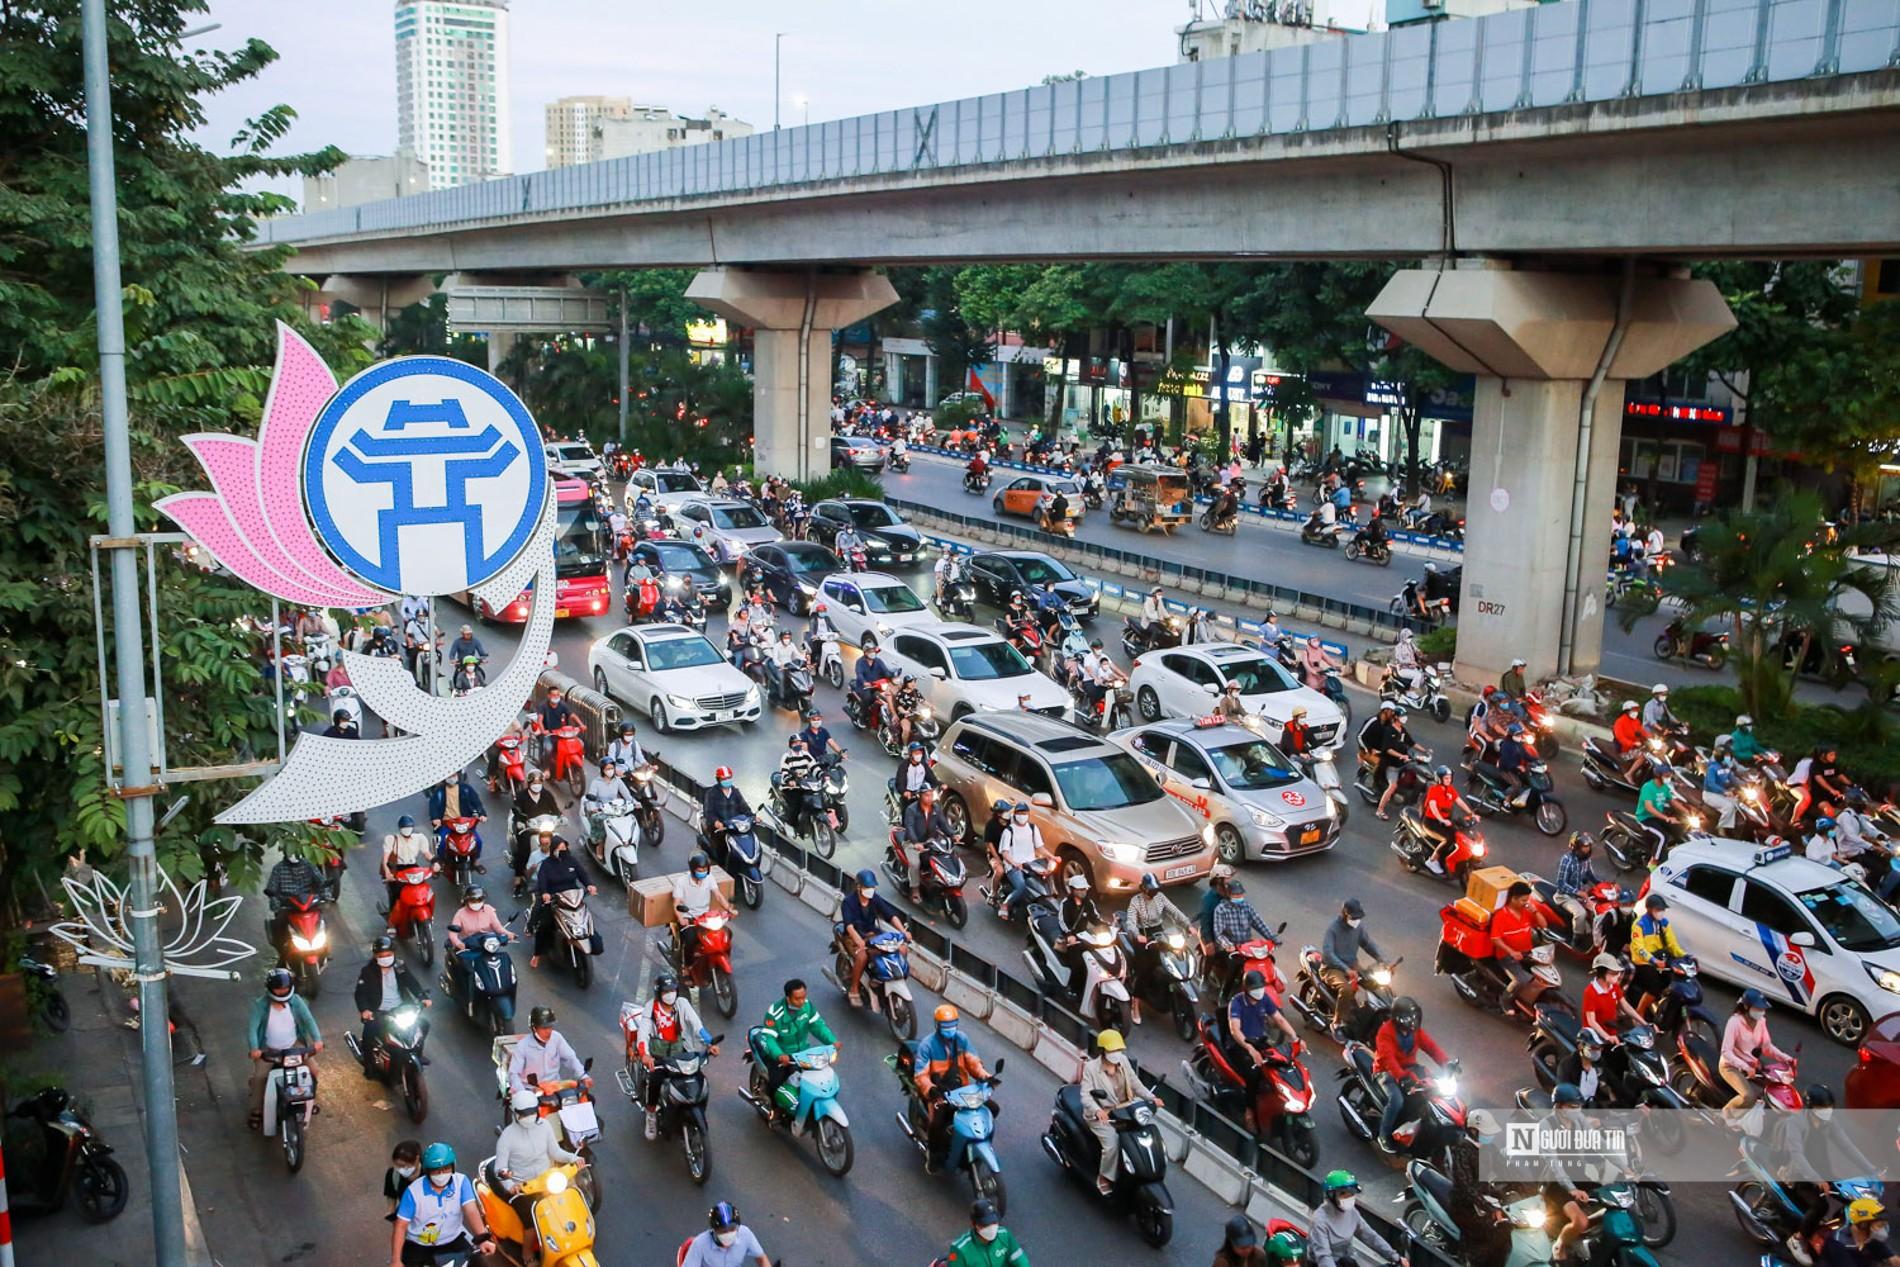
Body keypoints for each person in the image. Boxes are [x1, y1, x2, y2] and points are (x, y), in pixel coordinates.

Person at [1772, 1086, 1885, 1266]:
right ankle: (1798, 1238)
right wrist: (1816, 1179)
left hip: (1822, 1170)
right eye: (1821, 1108)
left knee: (1847, 1197)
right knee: (1820, 1206)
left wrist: (1871, 1169)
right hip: (1799, 1173)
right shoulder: (1795, 1124)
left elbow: (1847, 1146)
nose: (1826, 1112)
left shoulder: (1829, 1122)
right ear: (1810, 1108)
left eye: (1828, 1108)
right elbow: (1797, 1155)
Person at [494, 1086, 580, 1256]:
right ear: (515, 1113)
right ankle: (527, 1254)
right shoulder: (507, 1137)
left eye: (531, 1112)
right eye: (524, 1114)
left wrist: (573, 1158)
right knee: (531, 1222)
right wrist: (511, 1185)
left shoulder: (545, 1126)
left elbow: (555, 1152)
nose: (528, 1117)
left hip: (548, 1180)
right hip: (524, 1188)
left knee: (569, 1205)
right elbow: (500, 1168)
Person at [629, 973, 715, 1140]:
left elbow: (696, 1025)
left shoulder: (682, 1004)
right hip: (659, 1057)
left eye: (673, 990)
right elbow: (643, 1033)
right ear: (659, 993)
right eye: (666, 991)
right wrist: (645, 1054)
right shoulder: (651, 1007)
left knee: (699, 1078)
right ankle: (651, 1115)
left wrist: (709, 1042)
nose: (670, 994)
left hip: (682, 1053)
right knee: (655, 1080)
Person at [1078, 1030, 1161, 1194]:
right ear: (1103, 1050)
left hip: (1126, 1111)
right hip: (1104, 1116)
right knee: (1112, 1144)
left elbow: (1135, 1083)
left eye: (1118, 1050)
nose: (1116, 1054)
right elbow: (1085, 1096)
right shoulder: (1091, 1068)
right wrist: (1097, 1111)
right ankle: (1105, 1177)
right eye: (1112, 1051)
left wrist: (1152, 1098)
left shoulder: (1123, 1061)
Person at [913, 1004, 994, 1172]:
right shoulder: (927, 1045)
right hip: (939, 1093)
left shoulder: (962, 1039)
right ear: (937, 1025)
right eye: (945, 1026)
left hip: (962, 1091)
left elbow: (973, 1062)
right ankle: (933, 1156)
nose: (950, 1030)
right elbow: (921, 1075)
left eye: (952, 1025)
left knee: (992, 1109)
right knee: (937, 1122)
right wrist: (931, 1089)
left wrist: (986, 1076)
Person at [388, 1142, 496, 1267]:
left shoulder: (461, 1182)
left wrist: (482, 1239)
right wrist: (396, 1260)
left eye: (446, 1168)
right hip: (419, 1245)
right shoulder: (413, 1192)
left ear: (453, 1166)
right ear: (428, 1171)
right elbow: (400, 1226)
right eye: (436, 1170)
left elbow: (471, 1211)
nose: (441, 1174)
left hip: (453, 1240)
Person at [246, 967, 321, 1131]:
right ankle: (257, 1110)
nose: (282, 992)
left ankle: (310, 1100)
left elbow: (309, 1020)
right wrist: (254, 1049)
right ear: (270, 989)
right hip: (268, 1050)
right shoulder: (260, 1005)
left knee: (314, 1070)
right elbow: (252, 1028)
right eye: (279, 989)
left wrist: (317, 1040)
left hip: (294, 1046)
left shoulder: (296, 1000)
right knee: (260, 1078)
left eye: (285, 988)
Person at [1372, 996, 1448, 1153]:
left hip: (1410, 1068)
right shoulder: (1385, 1032)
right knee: (1397, 1101)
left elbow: (1432, 1048)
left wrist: (1447, 1064)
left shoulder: (1416, 1031)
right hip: (1386, 1071)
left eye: (1414, 1016)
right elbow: (1388, 1059)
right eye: (1409, 1017)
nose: (1412, 1020)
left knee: (1433, 1090)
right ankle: (1384, 1135)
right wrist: (1401, 1076)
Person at [1227, 968, 1301, 1119]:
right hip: (1240, 1046)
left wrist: (1295, 1038)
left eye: (1261, 987)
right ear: (1246, 989)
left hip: (1260, 1042)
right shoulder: (1236, 1003)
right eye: (1255, 988)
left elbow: (1279, 1019)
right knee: (1254, 1074)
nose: (1259, 991)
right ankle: (1249, 1111)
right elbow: (1235, 1030)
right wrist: (1250, 1049)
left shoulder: (1265, 999)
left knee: (1280, 1066)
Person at [758, 978, 838, 1114]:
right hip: (781, 1056)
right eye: (797, 999)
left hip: (802, 1053)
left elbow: (818, 1026)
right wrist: (779, 1054)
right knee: (777, 1081)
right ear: (788, 998)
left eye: (803, 997)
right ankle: (774, 1109)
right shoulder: (774, 1013)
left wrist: (832, 1041)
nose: (802, 1002)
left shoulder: (807, 1006)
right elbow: (769, 1038)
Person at [353, 934, 431, 1071]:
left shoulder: (399, 966)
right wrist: (365, 1010)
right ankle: (369, 1064)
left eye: (388, 955)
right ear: (376, 956)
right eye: (381, 956)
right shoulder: (368, 971)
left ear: (393, 954)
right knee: (369, 1034)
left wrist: (422, 996)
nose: (385, 958)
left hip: (402, 1008)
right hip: (379, 1012)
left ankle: (418, 1054)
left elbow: (411, 982)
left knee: (423, 1025)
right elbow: (360, 993)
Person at [1308, 1170, 1407, 1267]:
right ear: (1331, 1195)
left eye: (1351, 1194)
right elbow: (1324, 1257)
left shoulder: (1352, 1212)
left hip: (1345, 1260)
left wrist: (1395, 1257)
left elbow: (1370, 1236)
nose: (1349, 1198)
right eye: (1343, 1194)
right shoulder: (1320, 1221)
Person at [1320, 898, 1388, 1039]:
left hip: (1352, 965)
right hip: (1332, 968)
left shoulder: (1358, 927)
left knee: (1373, 982)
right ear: (1345, 915)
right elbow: (1328, 954)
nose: (1356, 921)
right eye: (1354, 918)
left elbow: (1368, 944)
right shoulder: (1333, 929)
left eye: (1358, 918)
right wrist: (1345, 969)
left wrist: (1383, 960)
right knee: (1346, 989)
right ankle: (1337, 1022)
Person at [1721, 988, 1791, 1124]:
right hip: (1730, 1066)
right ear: (1746, 1007)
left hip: (1752, 1065)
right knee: (1749, 1097)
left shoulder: (1761, 1022)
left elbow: (1767, 1047)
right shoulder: (1734, 1022)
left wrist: (1786, 1058)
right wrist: (1745, 1067)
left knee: (1774, 1088)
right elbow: (1726, 1051)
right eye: (1758, 1008)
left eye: (1763, 1009)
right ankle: (1726, 1116)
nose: (1761, 1012)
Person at [840, 870, 910, 1004]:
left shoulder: (875, 899)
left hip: (874, 934)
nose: (870, 890)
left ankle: (890, 978)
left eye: (872, 887)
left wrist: (903, 931)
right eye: (867, 887)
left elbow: (891, 915)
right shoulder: (848, 902)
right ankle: (854, 988)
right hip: (854, 936)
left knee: (901, 949)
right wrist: (858, 940)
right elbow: (849, 926)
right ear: (859, 887)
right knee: (863, 956)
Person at [1119, 872, 1179, 1026]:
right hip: (1143, 937)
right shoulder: (1135, 901)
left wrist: (1188, 925)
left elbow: (1174, 911)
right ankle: (1135, 1004)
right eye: (1151, 889)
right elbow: (1131, 922)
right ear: (1144, 889)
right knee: (1145, 969)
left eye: (1156, 889)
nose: (1154, 892)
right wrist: (1137, 935)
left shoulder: (1160, 898)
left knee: (1175, 957)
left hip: (1159, 933)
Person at [528, 836, 594, 968]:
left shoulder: (572, 861)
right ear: (553, 850)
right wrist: (546, 893)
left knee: (587, 920)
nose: (562, 850)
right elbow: (542, 880)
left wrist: (590, 885)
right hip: (554, 898)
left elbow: (583, 874)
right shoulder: (546, 864)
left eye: (564, 847)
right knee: (544, 926)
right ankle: (537, 954)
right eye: (559, 848)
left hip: (573, 899)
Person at [1489, 881, 1553, 1013]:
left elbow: (1544, 925)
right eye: (1523, 900)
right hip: (1507, 957)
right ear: (1513, 899)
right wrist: (1511, 952)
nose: (1526, 902)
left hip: (1527, 952)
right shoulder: (1501, 916)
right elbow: (1495, 939)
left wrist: (1535, 911)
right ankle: (1505, 1000)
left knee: (1544, 974)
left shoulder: (1526, 912)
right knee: (1522, 980)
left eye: (1527, 899)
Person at [671, 852, 735, 971]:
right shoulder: (682, 882)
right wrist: (681, 918)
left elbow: (718, 896)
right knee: (690, 939)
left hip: (705, 918)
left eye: (705, 869)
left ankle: (723, 957)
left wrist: (729, 909)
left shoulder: (709, 878)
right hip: (690, 918)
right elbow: (676, 903)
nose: (702, 872)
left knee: (727, 934)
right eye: (700, 870)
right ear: (693, 870)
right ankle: (688, 966)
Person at [507, 1006, 590, 1096]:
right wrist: (522, 1094)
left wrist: (583, 1076)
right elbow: (514, 1074)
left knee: (586, 1100)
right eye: (544, 1028)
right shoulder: (522, 1047)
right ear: (534, 1028)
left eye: (550, 1027)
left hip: (555, 1087)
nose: (548, 1031)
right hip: (531, 1091)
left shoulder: (557, 1038)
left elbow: (570, 1058)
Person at [1628, 892, 1686, 1017]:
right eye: (1658, 909)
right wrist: (1653, 960)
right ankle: (1640, 1011)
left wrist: (1685, 956)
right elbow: (1639, 948)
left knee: (1671, 980)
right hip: (1643, 962)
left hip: (1660, 959)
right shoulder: (1639, 924)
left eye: (1662, 910)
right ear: (1649, 909)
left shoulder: (1664, 923)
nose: (1661, 912)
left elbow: (1673, 944)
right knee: (1655, 986)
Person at [1212, 879, 1275, 991]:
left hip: (1247, 947)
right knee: (1234, 966)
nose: (1239, 896)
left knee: (1268, 959)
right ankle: (1224, 993)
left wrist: (1272, 937)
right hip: (1232, 948)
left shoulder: (1246, 907)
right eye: (1236, 894)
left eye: (1240, 894)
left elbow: (1259, 923)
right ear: (1228, 894)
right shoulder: (1221, 910)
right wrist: (1228, 945)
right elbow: (1219, 933)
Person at [263, 849, 328, 958]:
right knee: (278, 927)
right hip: (288, 906)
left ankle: (326, 949)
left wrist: (325, 893)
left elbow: (321, 881)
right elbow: (272, 888)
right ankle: (282, 954)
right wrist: (275, 900)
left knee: (324, 922)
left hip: (309, 904)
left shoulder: (309, 865)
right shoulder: (278, 868)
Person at [989, 800, 1048, 922]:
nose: (1022, 815)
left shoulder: (1033, 828)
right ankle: (1005, 904)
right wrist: (1013, 863)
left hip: (1030, 864)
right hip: (1013, 866)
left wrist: (1052, 857)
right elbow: (1004, 852)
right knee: (1021, 886)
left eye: (1025, 813)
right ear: (1015, 814)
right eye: (1020, 813)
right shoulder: (1008, 831)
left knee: (1045, 879)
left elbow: (1040, 847)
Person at [900, 785, 955, 904]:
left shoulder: (936, 808)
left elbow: (943, 824)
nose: (930, 798)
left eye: (931, 794)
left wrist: (953, 834)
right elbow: (909, 827)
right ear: (920, 796)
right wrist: (916, 843)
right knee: (915, 864)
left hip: (931, 841)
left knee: (944, 857)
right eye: (926, 795)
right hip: (912, 842)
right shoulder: (911, 809)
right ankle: (915, 890)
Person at [1361, 703, 1413, 822]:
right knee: (1383, 765)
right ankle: (1378, 794)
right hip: (1369, 750)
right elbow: (1360, 736)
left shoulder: (1390, 724)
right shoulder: (1373, 721)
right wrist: (1367, 750)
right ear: (1385, 710)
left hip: (1381, 750)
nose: (1392, 713)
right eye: (1391, 711)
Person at [1418, 766, 1473, 876]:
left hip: (1445, 821)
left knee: (1460, 832)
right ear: (1440, 779)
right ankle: (1432, 861)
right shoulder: (1434, 790)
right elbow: (1432, 806)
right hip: (1431, 823)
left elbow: (1459, 801)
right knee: (1448, 839)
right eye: (1446, 778)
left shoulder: (1450, 789)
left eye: (1449, 778)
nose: (1449, 780)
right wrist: (1441, 819)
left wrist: (1472, 814)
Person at [1552, 831, 1604, 944]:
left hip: (1580, 894)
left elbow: (1591, 876)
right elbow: (1561, 884)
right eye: (1585, 847)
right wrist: (1578, 892)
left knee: (1599, 908)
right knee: (1581, 914)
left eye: (1589, 846)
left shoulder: (1586, 859)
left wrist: (1606, 886)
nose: (1588, 849)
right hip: (1565, 896)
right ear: (1576, 847)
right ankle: (1577, 938)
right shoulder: (1567, 860)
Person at [943, 1198, 1029, 1267]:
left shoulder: (1005, 1235)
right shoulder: (959, 1250)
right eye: (985, 1224)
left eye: (994, 1222)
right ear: (974, 1224)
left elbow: (1020, 1261)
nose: (991, 1227)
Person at [1580, 952, 1643, 1044]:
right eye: (1614, 973)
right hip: (1595, 1037)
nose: (1619, 975)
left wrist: (1645, 1023)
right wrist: (1607, 1037)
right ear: (1603, 973)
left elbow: (1626, 1006)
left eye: (1619, 973)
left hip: (1612, 1033)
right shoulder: (1590, 992)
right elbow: (1591, 1022)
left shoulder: (1614, 986)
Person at [510, 771, 561, 881]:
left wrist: (560, 817)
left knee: (560, 843)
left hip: (545, 827)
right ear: (529, 783)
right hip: (529, 828)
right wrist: (520, 822)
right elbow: (517, 811)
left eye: (539, 782)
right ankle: (518, 877)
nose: (536, 785)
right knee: (524, 850)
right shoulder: (521, 796)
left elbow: (555, 810)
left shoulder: (547, 794)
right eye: (534, 783)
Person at [380, 815, 436, 915]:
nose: (407, 830)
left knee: (423, 889)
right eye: (404, 828)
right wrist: (387, 872)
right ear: (400, 828)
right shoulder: (391, 839)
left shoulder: (419, 838)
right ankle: (392, 921)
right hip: (397, 868)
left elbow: (427, 853)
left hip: (413, 867)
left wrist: (435, 861)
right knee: (396, 893)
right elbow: (386, 858)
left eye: (409, 828)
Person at [774, 735, 823, 838]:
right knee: (796, 805)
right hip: (791, 787)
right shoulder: (786, 756)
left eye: (800, 742)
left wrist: (822, 775)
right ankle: (790, 824)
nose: (798, 745)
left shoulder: (806, 755)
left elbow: (814, 767)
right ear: (791, 744)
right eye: (795, 743)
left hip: (804, 784)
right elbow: (784, 771)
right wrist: (789, 780)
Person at [701, 767, 753, 860]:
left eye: (729, 778)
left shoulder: (735, 792)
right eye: (724, 779)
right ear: (719, 780)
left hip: (735, 826)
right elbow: (709, 812)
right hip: (721, 828)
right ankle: (721, 864)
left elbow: (744, 807)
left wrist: (753, 816)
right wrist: (716, 822)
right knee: (721, 847)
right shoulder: (711, 793)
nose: (727, 781)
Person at [853, 636, 897, 725]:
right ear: (865, 652)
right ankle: (862, 716)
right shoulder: (860, 662)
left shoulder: (878, 661)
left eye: (873, 651)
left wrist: (893, 676)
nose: (872, 653)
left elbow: (886, 671)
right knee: (868, 698)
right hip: (864, 687)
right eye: (870, 651)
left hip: (877, 686)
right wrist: (865, 682)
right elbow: (859, 674)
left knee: (891, 697)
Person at [533, 686, 580, 769]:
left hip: (560, 733)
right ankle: (546, 769)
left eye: (558, 695)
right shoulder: (543, 706)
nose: (556, 697)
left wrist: (581, 724)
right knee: (548, 748)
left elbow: (572, 715)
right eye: (554, 695)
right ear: (549, 696)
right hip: (548, 734)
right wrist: (543, 730)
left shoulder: (562, 705)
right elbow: (540, 719)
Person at [1703, 737, 1741, 830]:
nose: (1729, 758)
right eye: (1727, 756)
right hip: (1710, 795)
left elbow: (1732, 779)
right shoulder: (1712, 768)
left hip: (1722, 793)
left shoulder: (1726, 766)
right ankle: (1721, 828)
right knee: (1729, 807)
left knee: (1739, 803)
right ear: (1720, 756)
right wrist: (1724, 791)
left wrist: (1742, 786)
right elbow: (1711, 784)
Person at [1612, 700, 1651, 785]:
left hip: (1634, 748)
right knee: (1643, 756)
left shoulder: (1636, 721)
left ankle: (1641, 777)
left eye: (1637, 710)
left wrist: (1653, 738)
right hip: (1624, 750)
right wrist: (1632, 743)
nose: (1636, 712)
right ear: (1627, 711)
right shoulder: (1620, 722)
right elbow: (1620, 738)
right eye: (1634, 710)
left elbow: (1642, 731)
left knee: (1650, 757)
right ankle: (1628, 774)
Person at [383, 1139, 422, 1223]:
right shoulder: (393, 1174)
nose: (399, 1169)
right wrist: (391, 1210)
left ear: (416, 1160)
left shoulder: (429, 1173)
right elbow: (391, 1194)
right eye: (396, 1165)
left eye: (403, 1166)